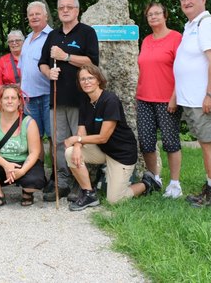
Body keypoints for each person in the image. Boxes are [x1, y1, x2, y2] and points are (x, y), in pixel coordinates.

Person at [64, 65, 160, 211]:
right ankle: (89, 194)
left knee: (115, 200)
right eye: (82, 79)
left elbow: (103, 137)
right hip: (102, 151)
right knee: (70, 153)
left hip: (121, 154)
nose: (86, 82)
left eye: (90, 78)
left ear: (98, 80)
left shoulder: (110, 100)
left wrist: (76, 140)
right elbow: (81, 131)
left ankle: (148, 183)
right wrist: (77, 146)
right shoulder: (85, 100)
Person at [39, 0, 99, 202]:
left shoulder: (87, 33)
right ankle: (61, 181)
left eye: (69, 7)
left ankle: (80, 183)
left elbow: (92, 62)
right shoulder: (52, 35)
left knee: (78, 142)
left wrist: (66, 57)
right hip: (57, 99)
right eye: (61, 7)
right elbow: (43, 62)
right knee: (58, 143)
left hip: (79, 98)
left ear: (77, 10)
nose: (65, 10)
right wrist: (48, 73)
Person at [173, 0, 211, 207]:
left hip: (204, 98)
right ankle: (210, 188)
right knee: (205, 143)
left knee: (210, 144)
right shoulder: (191, 26)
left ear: (203, 0)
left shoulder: (208, 24)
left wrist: (210, 95)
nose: (186, 2)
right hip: (193, 99)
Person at [136, 2, 183, 198]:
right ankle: (155, 178)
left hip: (167, 99)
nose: (153, 17)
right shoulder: (146, 40)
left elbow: (182, 70)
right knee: (146, 142)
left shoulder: (176, 38)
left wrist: (174, 97)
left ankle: (174, 184)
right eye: (150, 15)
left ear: (165, 16)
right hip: (144, 98)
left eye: (157, 14)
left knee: (170, 142)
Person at [0, 84, 46, 209]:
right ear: (0, 101)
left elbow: (34, 152)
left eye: (13, 98)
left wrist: (22, 171)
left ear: (19, 101)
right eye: (6, 98)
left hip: (22, 163)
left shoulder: (29, 122)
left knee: (36, 181)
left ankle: (27, 193)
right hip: (0, 162)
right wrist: (6, 165)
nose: (9, 101)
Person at [19, 1, 53, 143]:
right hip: (29, 98)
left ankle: (56, 166)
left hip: (48, 95)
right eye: (31, 15)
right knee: (33, 138)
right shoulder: (27, 39)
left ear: (46, 16)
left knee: (54, 137)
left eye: (37, 14)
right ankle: (37, 166)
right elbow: (23, 70)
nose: (34, 17)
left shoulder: (53, 36)